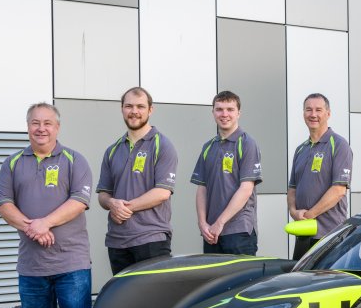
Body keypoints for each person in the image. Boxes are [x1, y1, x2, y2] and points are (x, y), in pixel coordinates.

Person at [0, 103, 93, 308]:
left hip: (71, 260)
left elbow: (80, 200)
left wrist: (45, 223)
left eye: (47, 123)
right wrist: (32, 227)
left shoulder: (75, 160)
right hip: (32, 264)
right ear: (28, 127)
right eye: (35, 123)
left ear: (57, 127)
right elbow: (3, 203)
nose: (41, 128)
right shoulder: (12, 163)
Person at [97, 87, 179, 274]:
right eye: (129, 106)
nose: (134, 111)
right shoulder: (112, 150)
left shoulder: (163, 146)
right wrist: (111, 203)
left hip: (151, 238)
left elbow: (162, 193)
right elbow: (103, 194)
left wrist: (124, 208)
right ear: (122, 109)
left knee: (154, 300)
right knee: (124, 301)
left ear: (151, 110)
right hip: (117, 240)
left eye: (140, 106)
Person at [191, 91, 262, 255]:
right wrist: (202, 223)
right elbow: (202, 188)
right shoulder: (208, 147)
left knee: (243, 281)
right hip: (211, 233)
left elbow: (246, 189)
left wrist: (220, 222)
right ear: (213, 112)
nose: (224, 114)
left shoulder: (247, 143)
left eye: (230, 109)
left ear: (239, 113)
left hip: (239, 232)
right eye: (219, 109)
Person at [287, 93, 353, 259]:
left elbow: (339, 190)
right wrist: (294, 212)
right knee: (300, 280)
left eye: (318, 110)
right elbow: (292, 188)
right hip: (304, 232)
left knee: (325, 282)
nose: (313, 114)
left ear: (328, 114)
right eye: (308, 110)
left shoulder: (339, 145)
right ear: (303, 114)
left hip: (329, 235)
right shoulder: (300, 149)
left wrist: (309, 215)